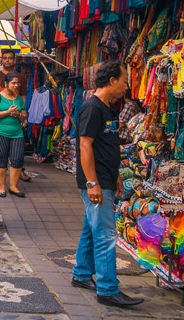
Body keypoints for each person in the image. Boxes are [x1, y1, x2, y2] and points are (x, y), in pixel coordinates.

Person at [72, 61, 143, 307]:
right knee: (105, 235)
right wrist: (93, 183)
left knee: (91, 230)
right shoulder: (93, 108)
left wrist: (114, 178)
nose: (126, 86)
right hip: (95, 181)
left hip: (104, 179)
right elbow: (84, 145)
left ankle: (81, 274)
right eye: (124, 80)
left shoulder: (107, 109)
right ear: (112, 80)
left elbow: (106, 146)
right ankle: (108, 289)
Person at [0, 72, 27, 198]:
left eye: (17, 83)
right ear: (5, 83)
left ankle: (13, 186)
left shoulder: (18, 98)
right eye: (13, 83)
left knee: (17, 158)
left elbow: (24, 116)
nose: (16, 85)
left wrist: (18, 115)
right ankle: (2, 186)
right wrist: (7, 112)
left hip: (17, 133)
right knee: (2, 159)